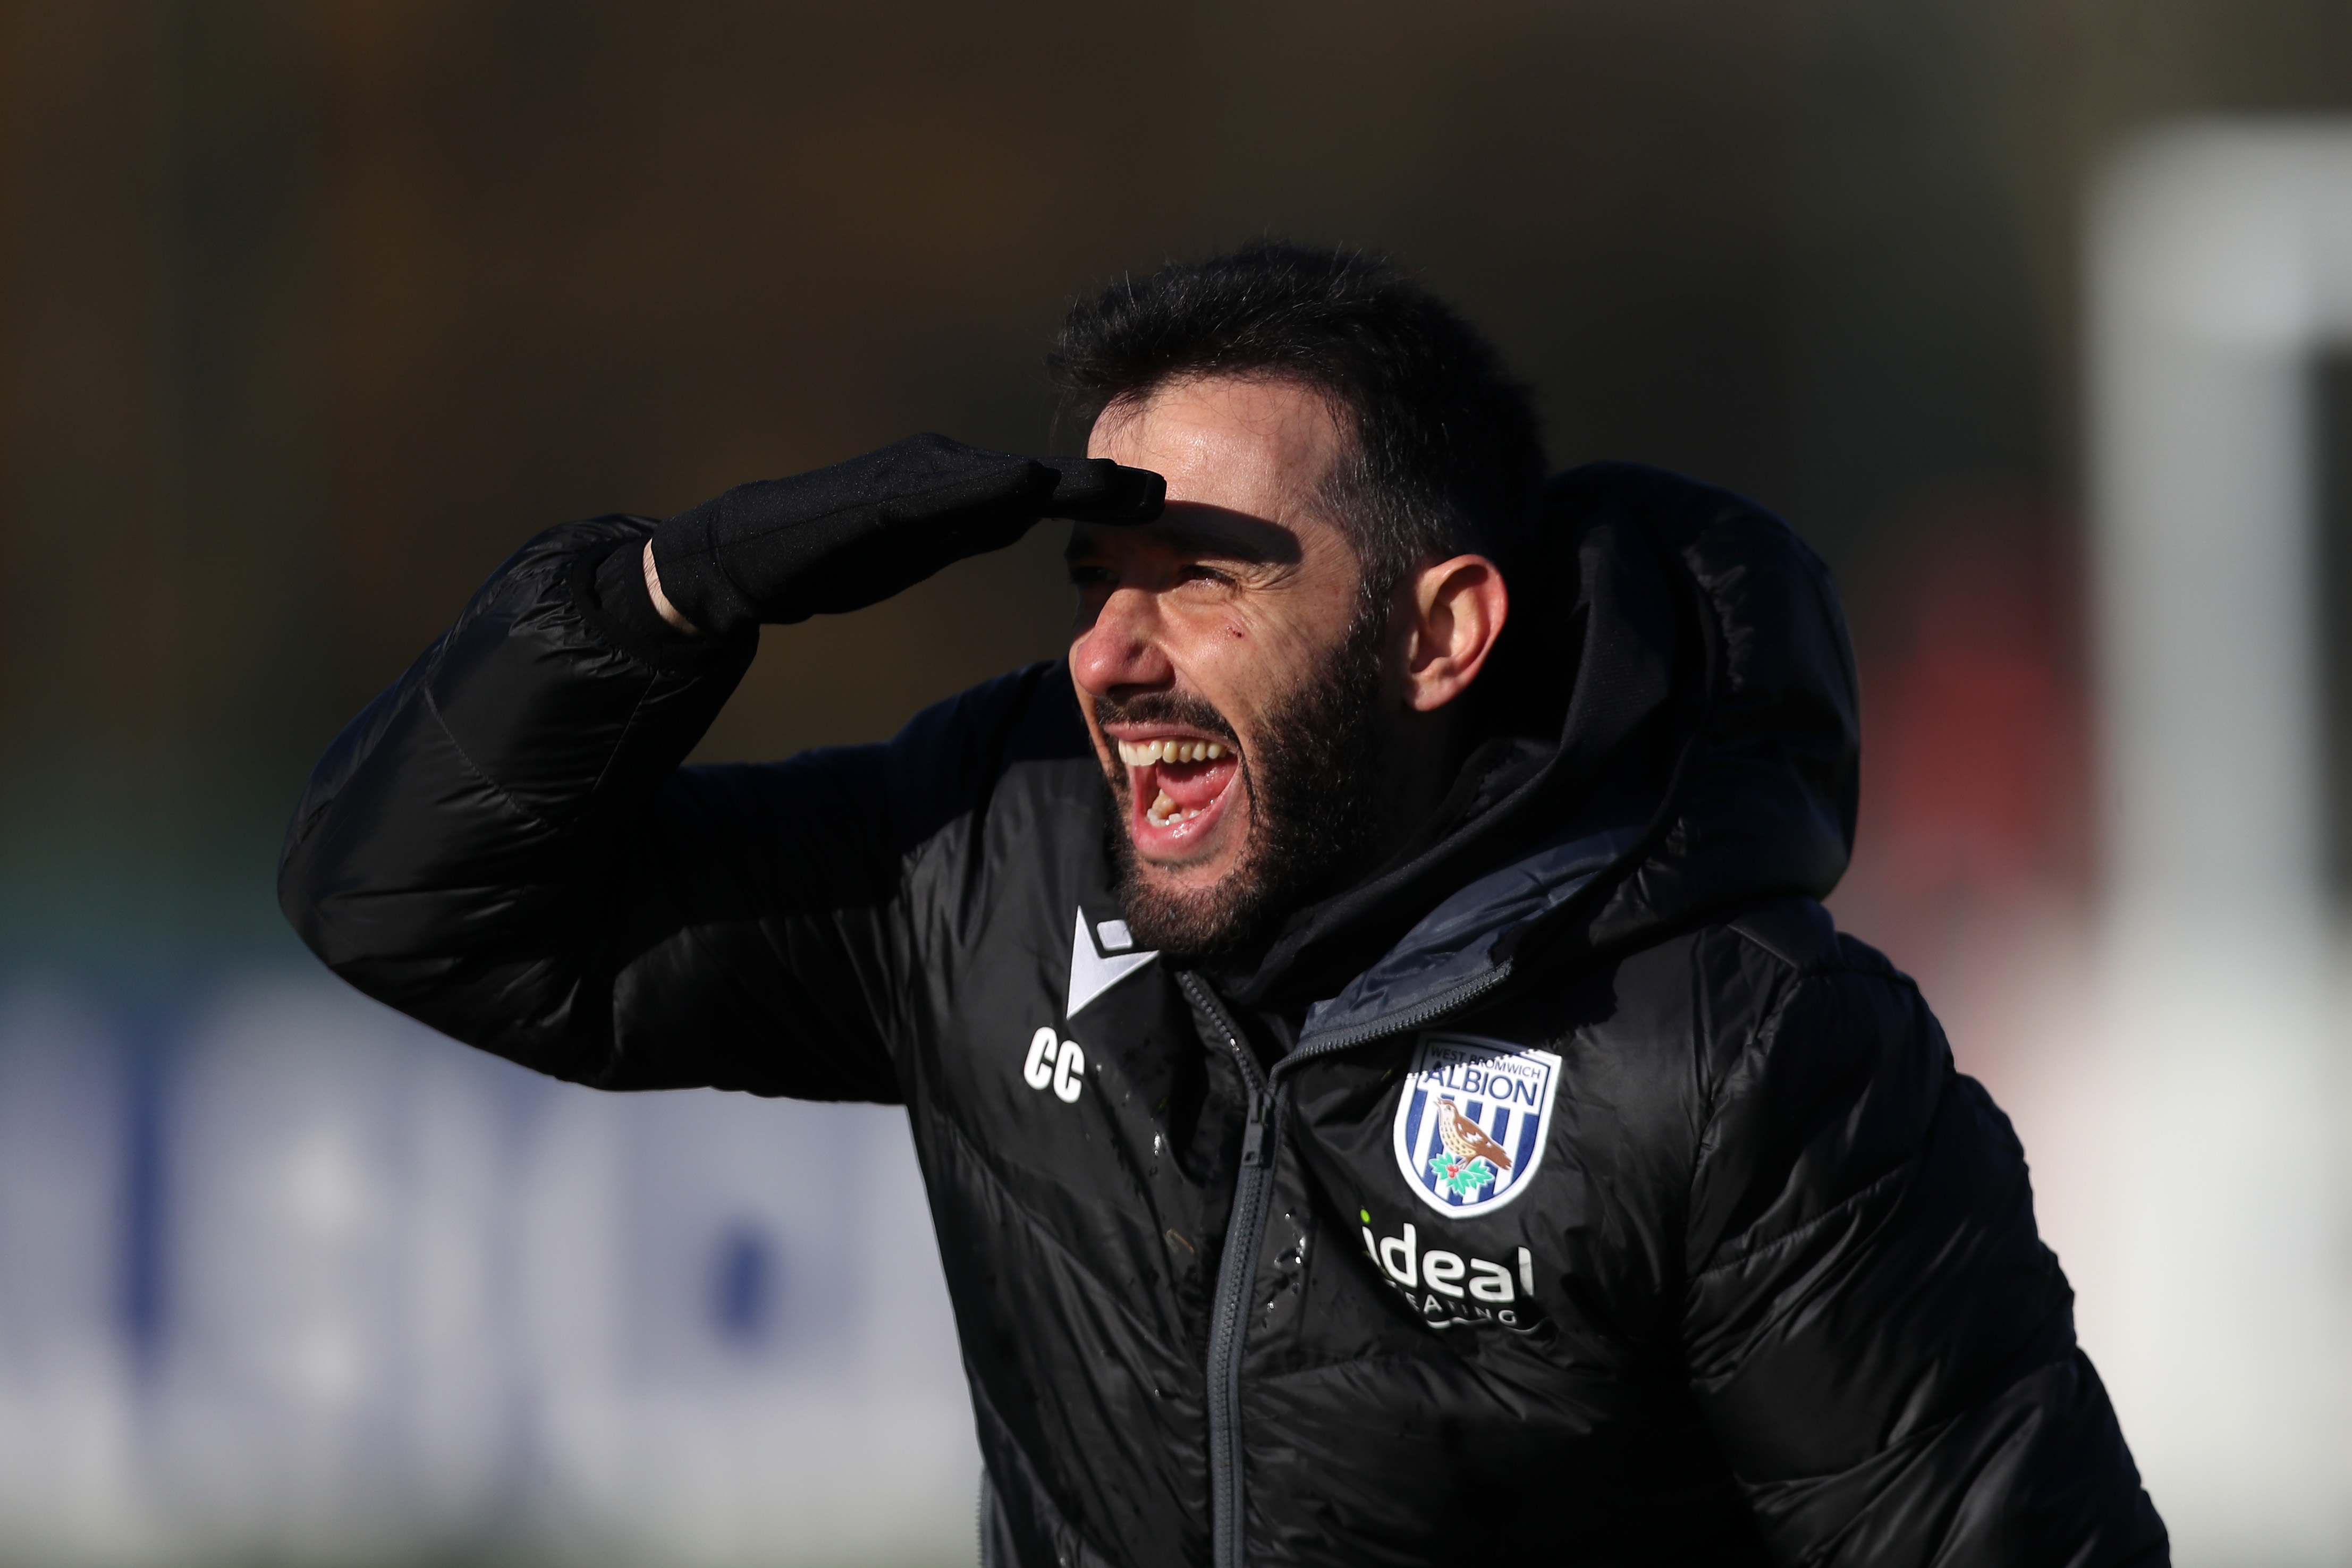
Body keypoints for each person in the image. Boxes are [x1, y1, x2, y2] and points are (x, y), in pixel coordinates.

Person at [280, 242, 2167, 1566]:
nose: (1112, 649)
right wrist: (668, 595)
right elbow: (414, 907)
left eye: (1201, 575)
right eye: (1099, 576)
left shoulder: (1734, 1053)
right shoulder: (989, 845)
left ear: (1439, 634)